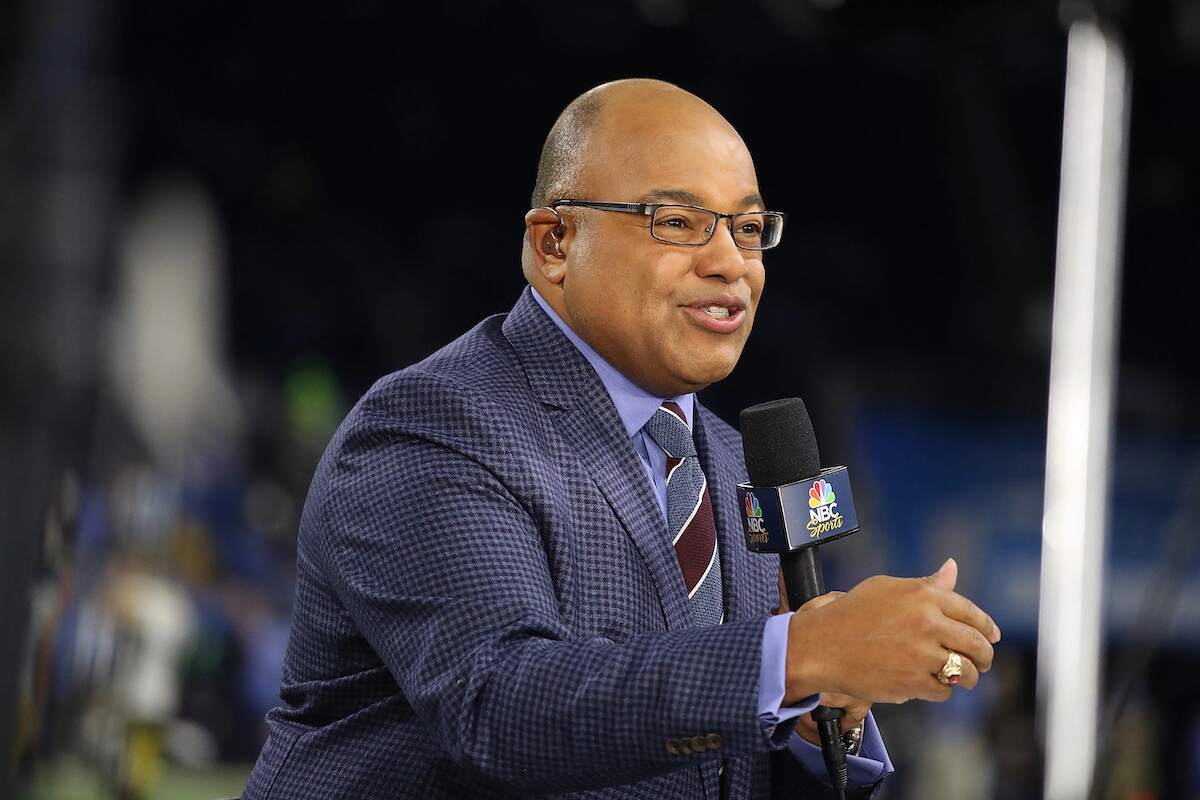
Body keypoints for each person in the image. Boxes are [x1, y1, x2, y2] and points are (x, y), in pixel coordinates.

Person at [243, 79, 1000, 800]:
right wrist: (799, 654)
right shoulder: (434, 427)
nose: (731, 263)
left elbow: (714, 763)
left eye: (747, 228)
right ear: (555, 243)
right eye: (677, 223)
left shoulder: (740, 466)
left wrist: (812, 716)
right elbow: (498, 706)